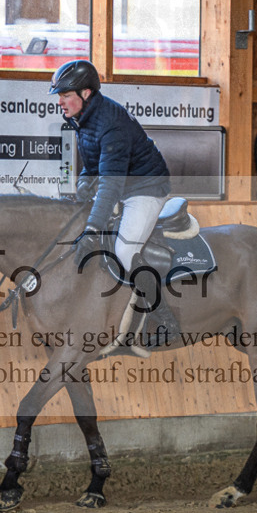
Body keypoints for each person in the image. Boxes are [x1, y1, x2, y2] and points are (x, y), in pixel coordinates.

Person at [49, 59, 179, 337]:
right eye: (59, 95)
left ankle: (164, 317)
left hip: (146, 189)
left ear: (85, 94)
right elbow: (95, 166)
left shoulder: (111, 123)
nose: (60, 101)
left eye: (65, 95)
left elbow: (110, 184)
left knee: (124, 251)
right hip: (121, 184)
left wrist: (93, 230)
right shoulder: (84, 118)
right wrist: (84, 182)